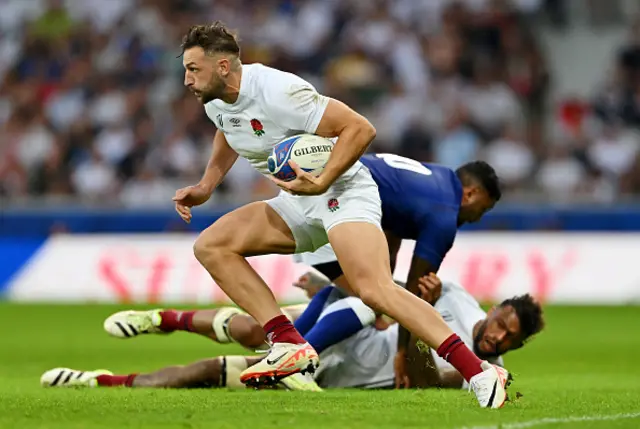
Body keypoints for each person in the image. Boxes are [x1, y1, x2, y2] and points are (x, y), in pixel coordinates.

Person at [170, 21, 508, 407]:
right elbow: (229, 130)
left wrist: (323, 179)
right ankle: (288, 343)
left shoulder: (279, 91)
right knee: (212, 246)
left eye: (193, 69)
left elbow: (360, 128)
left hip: (341, 192)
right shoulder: (216, 100)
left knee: (375, 290)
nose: (186, 80)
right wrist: (206, 185)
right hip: (297, 199)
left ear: (224, 67)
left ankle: (480, 372)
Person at [41, 275, 544, 393]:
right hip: (346, 327)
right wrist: (414, 300)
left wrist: (413, 323)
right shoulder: (454, 295)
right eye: (501, 323)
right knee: (261, 328)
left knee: (205, 374)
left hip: (342, 372)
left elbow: (418, 376)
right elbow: (386, 291)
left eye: (508, 338)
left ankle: (99, 382)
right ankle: (163, 318)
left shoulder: (484, 374)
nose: (497, 337)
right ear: (495, 308)